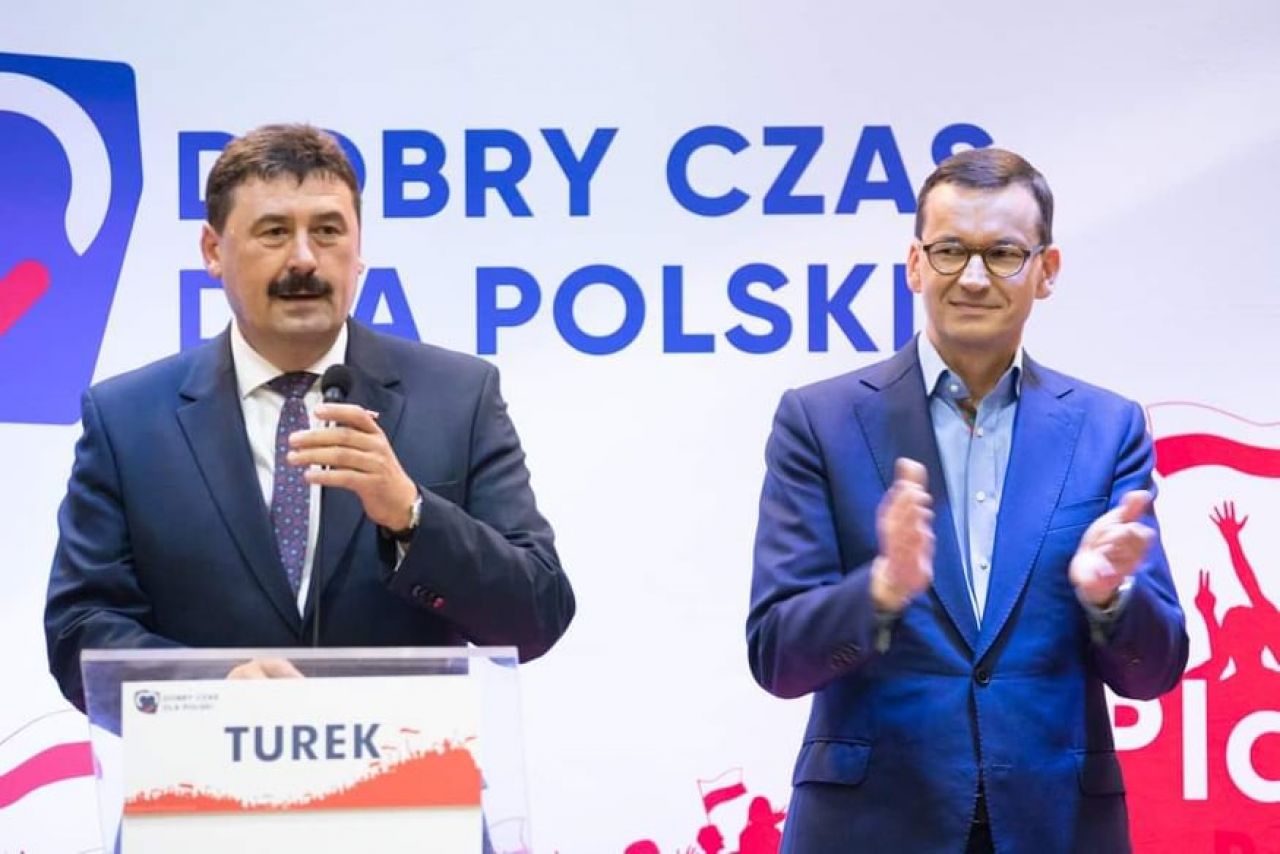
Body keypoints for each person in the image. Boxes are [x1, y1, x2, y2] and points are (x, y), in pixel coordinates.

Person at [746, 148, 1187, 853]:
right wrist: (881, 590)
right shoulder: (820, 421)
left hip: (1056, 827)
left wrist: (1109, 599)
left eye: (1003, 253)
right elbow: (777, 656)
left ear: (1046, 270)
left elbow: (1155, 670)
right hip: (869, 830)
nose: (974, 277)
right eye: (950, 250)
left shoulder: (1107, 429)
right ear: (915, 264)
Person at [45, 124, 575, 710]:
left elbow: (538, 614)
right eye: (274, 232)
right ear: (213, 251)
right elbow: (79, 630)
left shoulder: (457, 398)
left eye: (327, 231)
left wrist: (412, 517)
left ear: (358, 249)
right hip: (204, 763)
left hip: (408, 765)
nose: (303, 259)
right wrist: (211, 691)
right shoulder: (128, 420)